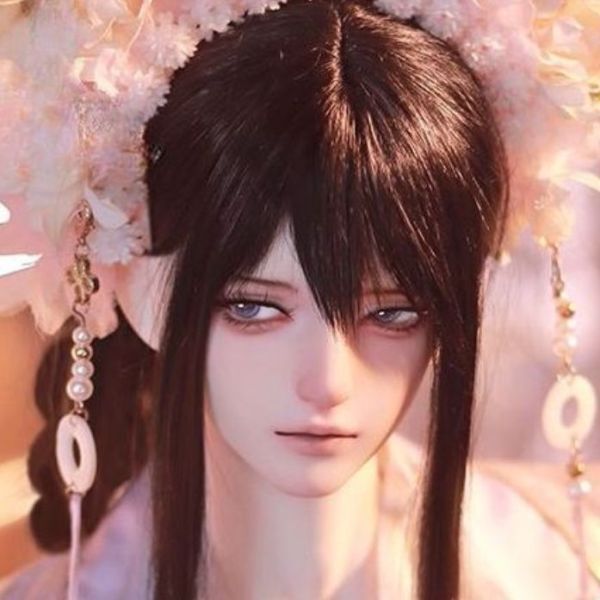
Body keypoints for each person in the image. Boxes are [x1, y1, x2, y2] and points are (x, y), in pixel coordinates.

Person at [0, 0, 598, 599]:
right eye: (252, 308)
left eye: (392, 313)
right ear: (134, 283)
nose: (328, 383)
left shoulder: (568, 564)